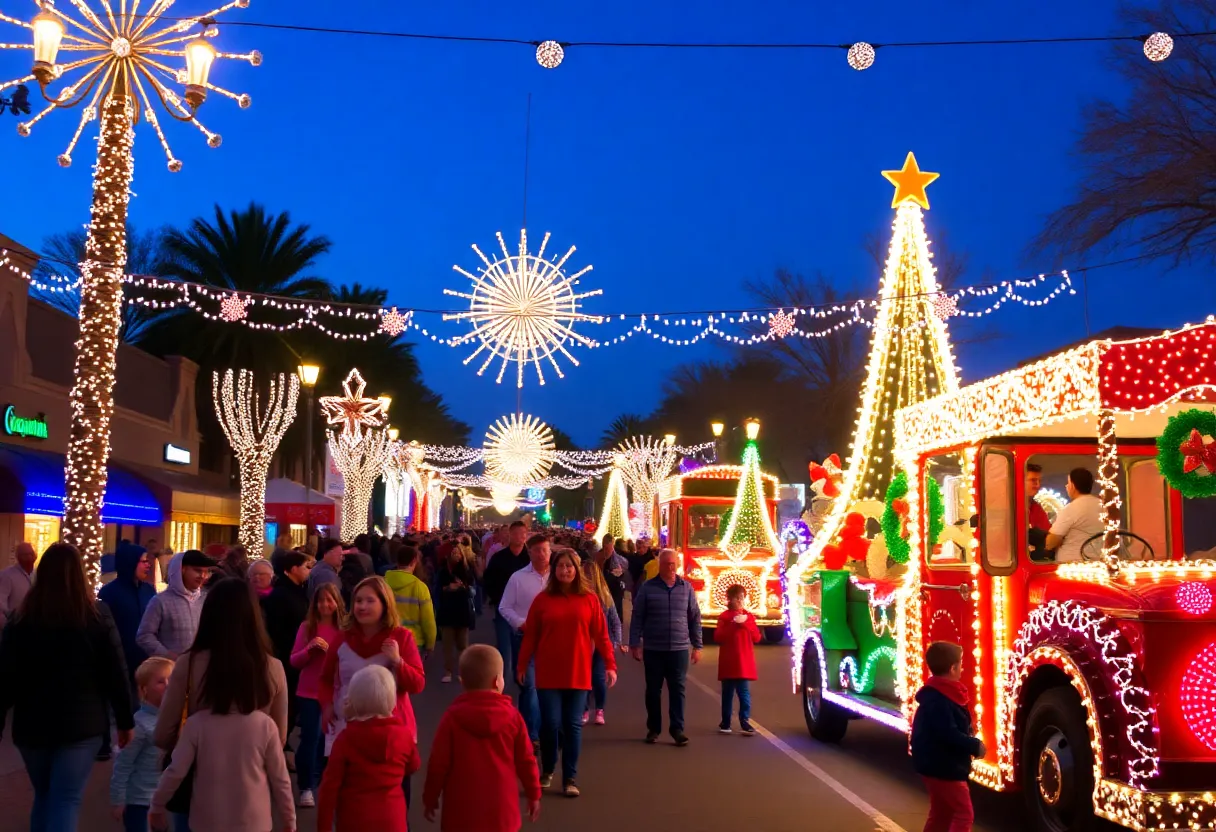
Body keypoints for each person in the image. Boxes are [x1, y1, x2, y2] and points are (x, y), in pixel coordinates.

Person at [0, 543, 134, 831]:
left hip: (31, 723)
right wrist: (125, 719)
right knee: (66, 799)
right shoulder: (95, 615)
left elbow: (6, 678)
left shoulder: (21, 620)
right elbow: (115, 670)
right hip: (81, 723)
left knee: (45, 795)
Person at [153, 577, 290, 831]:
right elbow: (279, 737)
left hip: (196, 784)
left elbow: (163, 733)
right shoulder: (273, 668)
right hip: (251, 791)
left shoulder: (189, 663)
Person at [149, 650, 296, 832]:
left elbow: (175, 771)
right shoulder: (265, 725)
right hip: (254, 823)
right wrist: (289, 819)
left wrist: (157, 805)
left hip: (206, 822)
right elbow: (280, 779)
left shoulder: (196, 724)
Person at [319, 576, 426, 807]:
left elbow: (417, 684)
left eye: (370, 600)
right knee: (350, 806)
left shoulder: (401, 637)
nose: (362, 606)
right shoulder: (342, 639)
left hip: (390, 735)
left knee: (392, 807)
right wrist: (326, 706)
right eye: (358, 600)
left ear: (384, 604)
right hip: (347, 730)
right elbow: (326, 679)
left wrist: (398, 662)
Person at [518, 549, 617, 796]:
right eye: (561, 566)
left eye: (569, 567)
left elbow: (602, 637)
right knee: (550, 724)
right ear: (555, 570)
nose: (565, 571)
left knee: (573, 725)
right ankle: (549, 768)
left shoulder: (590, 600)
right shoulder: (542, 601)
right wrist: (521, 666)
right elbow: (530, 637)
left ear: (576, 570)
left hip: (578, 672)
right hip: (548, 673)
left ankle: (570, 777)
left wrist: (610, 664)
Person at [423, 645, 542, 831]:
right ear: (497, 681)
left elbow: (438, 763)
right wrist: (534, 793)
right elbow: (526, 760)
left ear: (462, 682)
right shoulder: (513, 718)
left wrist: (430, 798)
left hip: (460, 812)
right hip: (502, 811)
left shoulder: (452, 718)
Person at [316, 665, 421, 832]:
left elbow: (328, 789)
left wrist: (323, 826)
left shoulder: (345, 740)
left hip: (354, 821)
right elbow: (413, 765)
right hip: (393, 820)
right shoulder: (403, 735)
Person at [629, 548, 702, 746]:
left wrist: (697, 645)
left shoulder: (686, 588)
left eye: (673, 564)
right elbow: (637, 616)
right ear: (659, 565)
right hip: (654, 649)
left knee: (678, 690)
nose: (670, 568)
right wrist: (634, 643)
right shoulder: (647, 588)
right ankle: (653, 728)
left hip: (678, 650)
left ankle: (677, 729)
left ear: (677, 565)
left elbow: (695, 617)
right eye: (666, 564)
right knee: (653, 690)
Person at [911, 641, 985, 832]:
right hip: (943, 766)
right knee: (964, 813)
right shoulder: (940, 699)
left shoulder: (939, 693)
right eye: (960, 663)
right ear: (953, 668)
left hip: (934, 764)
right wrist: (974, 745)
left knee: (941, 812)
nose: (962, 668)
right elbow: (948, 734)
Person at [290, 582, 345, 808]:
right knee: (311, 739)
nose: (325, 604)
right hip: (310, 692)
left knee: (330, 741)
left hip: (336, 693)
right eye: (321, 600)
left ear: (337, 602)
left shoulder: (345, 629)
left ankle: (323, 782)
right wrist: (309, 649)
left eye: (329, 600)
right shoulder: (306, 628)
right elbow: (294, 660)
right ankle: (305, 786)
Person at [498, 534, 551, 749]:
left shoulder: (558, 578)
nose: (541, 554)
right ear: (530, 552)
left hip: (553, 640)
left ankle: (545, 729)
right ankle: (531, 735)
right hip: (525, 638)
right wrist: (520, 622)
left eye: (544, 550)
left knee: (548, 687)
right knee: (530, 686)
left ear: (550, 551)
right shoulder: (518, 578)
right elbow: (504, 607)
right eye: (536, 550)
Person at [110, 657, 174, 832]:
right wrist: (118, 800)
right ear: (144, 690)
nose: (168, 685)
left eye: (171, 680)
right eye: (160, 681)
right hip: (140, 801)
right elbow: (123, 764)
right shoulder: (139, 724)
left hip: (165, 801)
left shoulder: (176, 720)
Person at [261, 550, 311, 762]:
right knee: (285, 705)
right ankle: (275, 747)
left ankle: (280, 743)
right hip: (286, 658)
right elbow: (279, 630)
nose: (309, 571)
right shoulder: (282, 595)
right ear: (292, 570)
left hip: (294, 657)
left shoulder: (296, 591)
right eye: (306, 567)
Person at [98, 542, 157, 700]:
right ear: (130, 563)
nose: (148, 565)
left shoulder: (149, 590)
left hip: (146, 662)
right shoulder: (109, 593)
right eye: (143, 561)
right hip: (120, 662)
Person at [136, 550, 218, 660]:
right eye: (197, 571)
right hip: (170, 671)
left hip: (199, 668)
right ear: (182, 570)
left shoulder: (206, 599)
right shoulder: (161, 601)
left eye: (206, 572)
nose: (202, 576)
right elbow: (144, 636)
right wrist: (167, 655)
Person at [483, 521, 530, 688]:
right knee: (505, 649)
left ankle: (522, 682)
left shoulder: (530, 559)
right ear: (510, 535)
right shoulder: (499, 558)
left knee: (523, 651)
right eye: (516, 533)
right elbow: (488, 580)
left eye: (523, 534)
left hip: (525, 612)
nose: (520, 537)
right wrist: (497, 598)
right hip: (503, 611)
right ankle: (503, 686)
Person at [714, 584, 760, 735]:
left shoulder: (749, 617)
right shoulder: (724, 617)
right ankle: (726, 722)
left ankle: (744, 721)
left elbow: (757, 637)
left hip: (743, 663)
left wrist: (745, 623)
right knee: (727, 694)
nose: (739, 601)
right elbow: (718, 636)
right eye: (736, 598)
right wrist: (733, 624)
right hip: (729, 662)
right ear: (730, 599)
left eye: (741, 598)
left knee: (744, 693)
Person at [581, 559, 623, 726]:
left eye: (590, 575)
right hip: (583, 643)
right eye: (585, 574)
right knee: (583, 677)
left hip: (601, 643)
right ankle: (584, 709)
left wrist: (617, 642)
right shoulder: (579, 595)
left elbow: (615, 620)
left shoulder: (605, 596)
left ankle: (599, 709)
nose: (588, 578)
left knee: (598, 678)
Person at [385, 545, 436, 659]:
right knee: (411, 675)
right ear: (414, 561)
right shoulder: (420, 587)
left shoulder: (383, 583)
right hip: (414, 640)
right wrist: (430, 644)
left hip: (387, 639)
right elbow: (427, 620)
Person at [1045, 468, 1104, 563]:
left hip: (1072, 564)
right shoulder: (1104, 506)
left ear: (1072, 486)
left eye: (1068, 483)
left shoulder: (1071, 509)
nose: (1066, 486)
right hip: (1099, 562)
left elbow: (1051, 543)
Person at [436, 544, 476, 683]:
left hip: (462, 610)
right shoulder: (443, 571)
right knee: (447, 644)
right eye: (453, 553)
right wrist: (448, 587)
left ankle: (461, 671)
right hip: (447, 611)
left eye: (458, 553)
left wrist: (462, 587)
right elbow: (437, 590)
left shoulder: (465, 570)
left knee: (463, 644)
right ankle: (448, 671)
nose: (456, 555)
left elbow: (471, 589)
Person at [0, 540, 35, 633]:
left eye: (31, 554)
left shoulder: (37, 575)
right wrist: (7, 628)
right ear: (18, 557)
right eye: (25, 555)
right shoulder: (7, 576)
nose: (29, 557)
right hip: (13, 629)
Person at [597, 534, 629, 624]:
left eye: (607, 548)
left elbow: (624, 574)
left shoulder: (620, 559)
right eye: (604, 547)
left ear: (612, 545)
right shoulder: (598, 556)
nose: (606, 551)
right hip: (602, 589)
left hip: (615, 590)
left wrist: (621, 573)